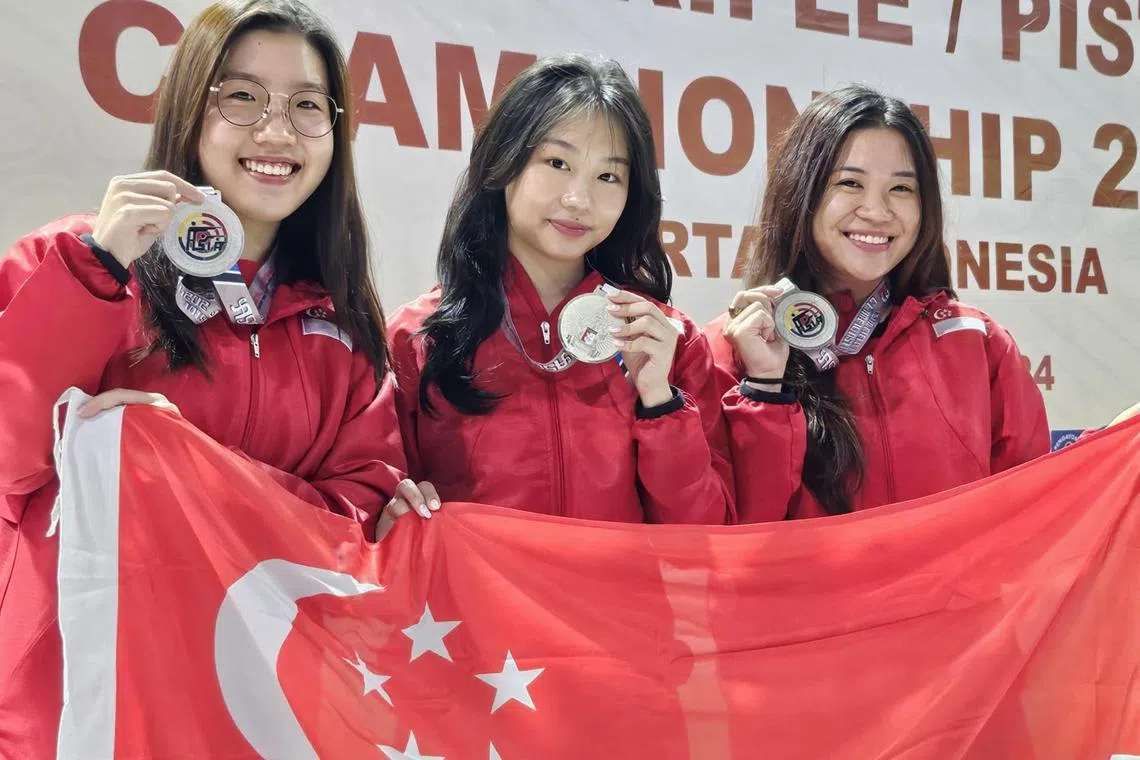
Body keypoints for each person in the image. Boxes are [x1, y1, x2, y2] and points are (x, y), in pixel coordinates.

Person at [0, 2, 428, 755]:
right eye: (242, 96)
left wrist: (186, 473)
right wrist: (99, 267)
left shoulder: (345, 321)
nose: (275, 131)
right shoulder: (79, 258)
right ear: (190, 105)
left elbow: (357, 510)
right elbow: (9, 459)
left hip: (252, 698)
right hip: (82, 694)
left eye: (306, 106)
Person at [387, 55, 734, 524]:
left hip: (628, 599)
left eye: (608, 176)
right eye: (556, 162)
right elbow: (376, 519)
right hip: (473, 599)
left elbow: (708, 533)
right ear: (503, 163)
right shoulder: (417, 339)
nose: (579, 199)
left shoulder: (667, 341)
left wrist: (661, 403)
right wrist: (393, 515)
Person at [706, 84, 1050, 522]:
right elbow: (728, 540)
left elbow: (1036, 511)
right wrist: (764, 390)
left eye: (902, 189)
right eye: (850, 183)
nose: (877, 210)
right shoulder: (729, 349)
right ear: (802, 193)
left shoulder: (979, 345)